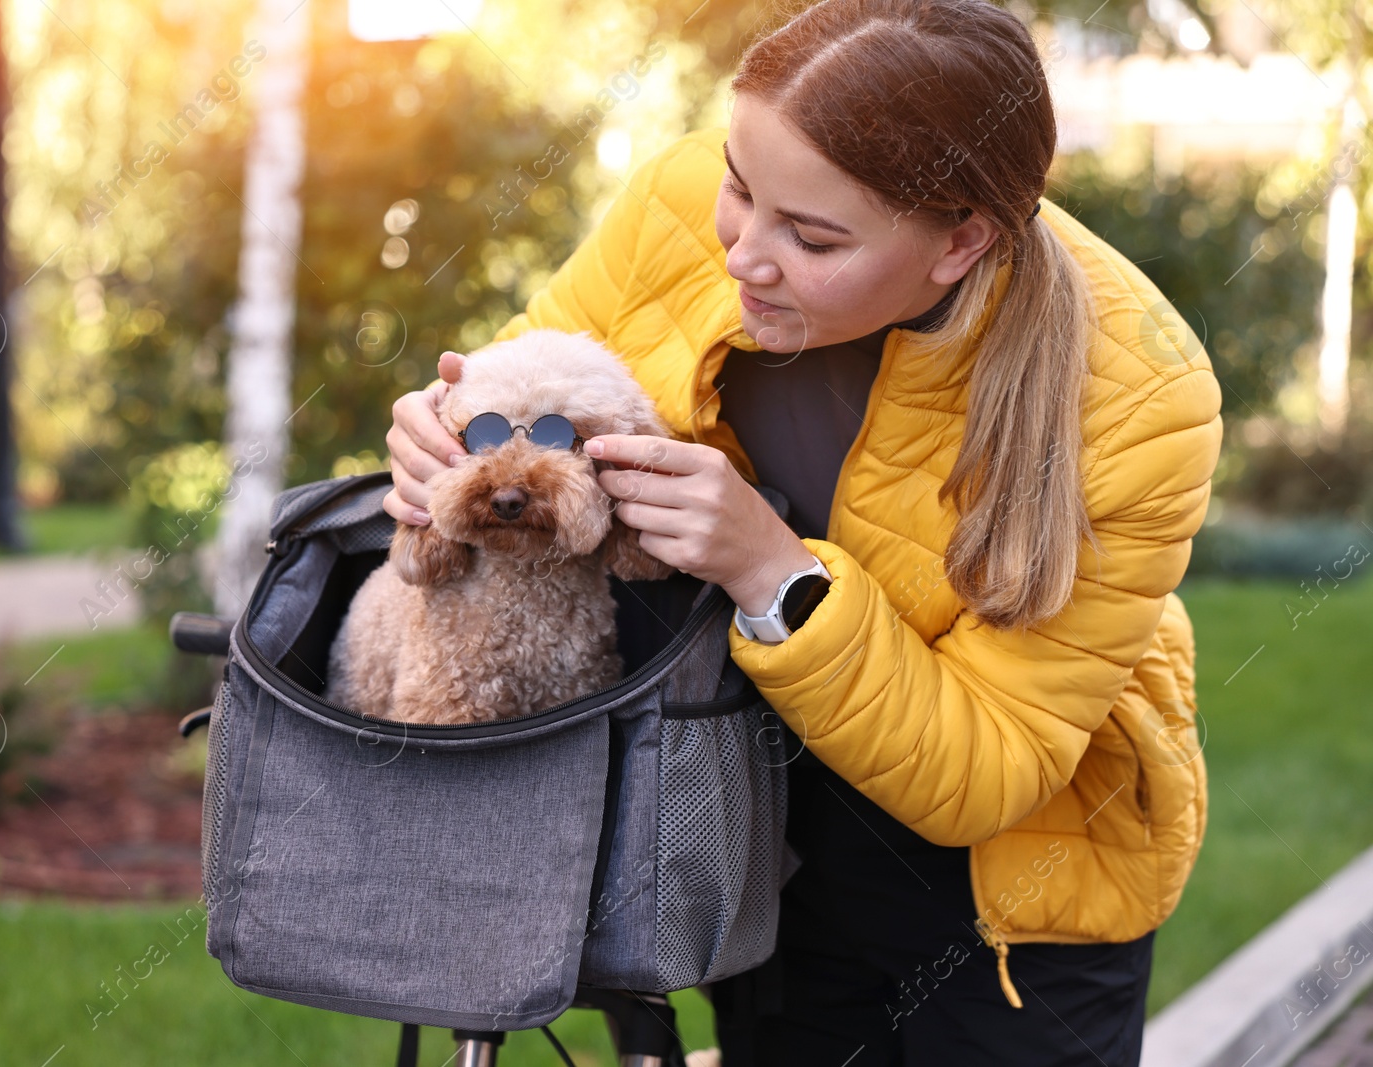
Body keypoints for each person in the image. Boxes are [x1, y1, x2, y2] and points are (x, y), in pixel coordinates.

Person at [383, 0, 1222, 1062]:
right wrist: (432, 435)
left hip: (1016, 904)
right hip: (755, 824)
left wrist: (770, 572)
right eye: (740, 186)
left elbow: (987, 769)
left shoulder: (1138, 395)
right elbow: (518, 378)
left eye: (812, 237)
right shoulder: (687, 202)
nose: (743, 253)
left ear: (960, 241)